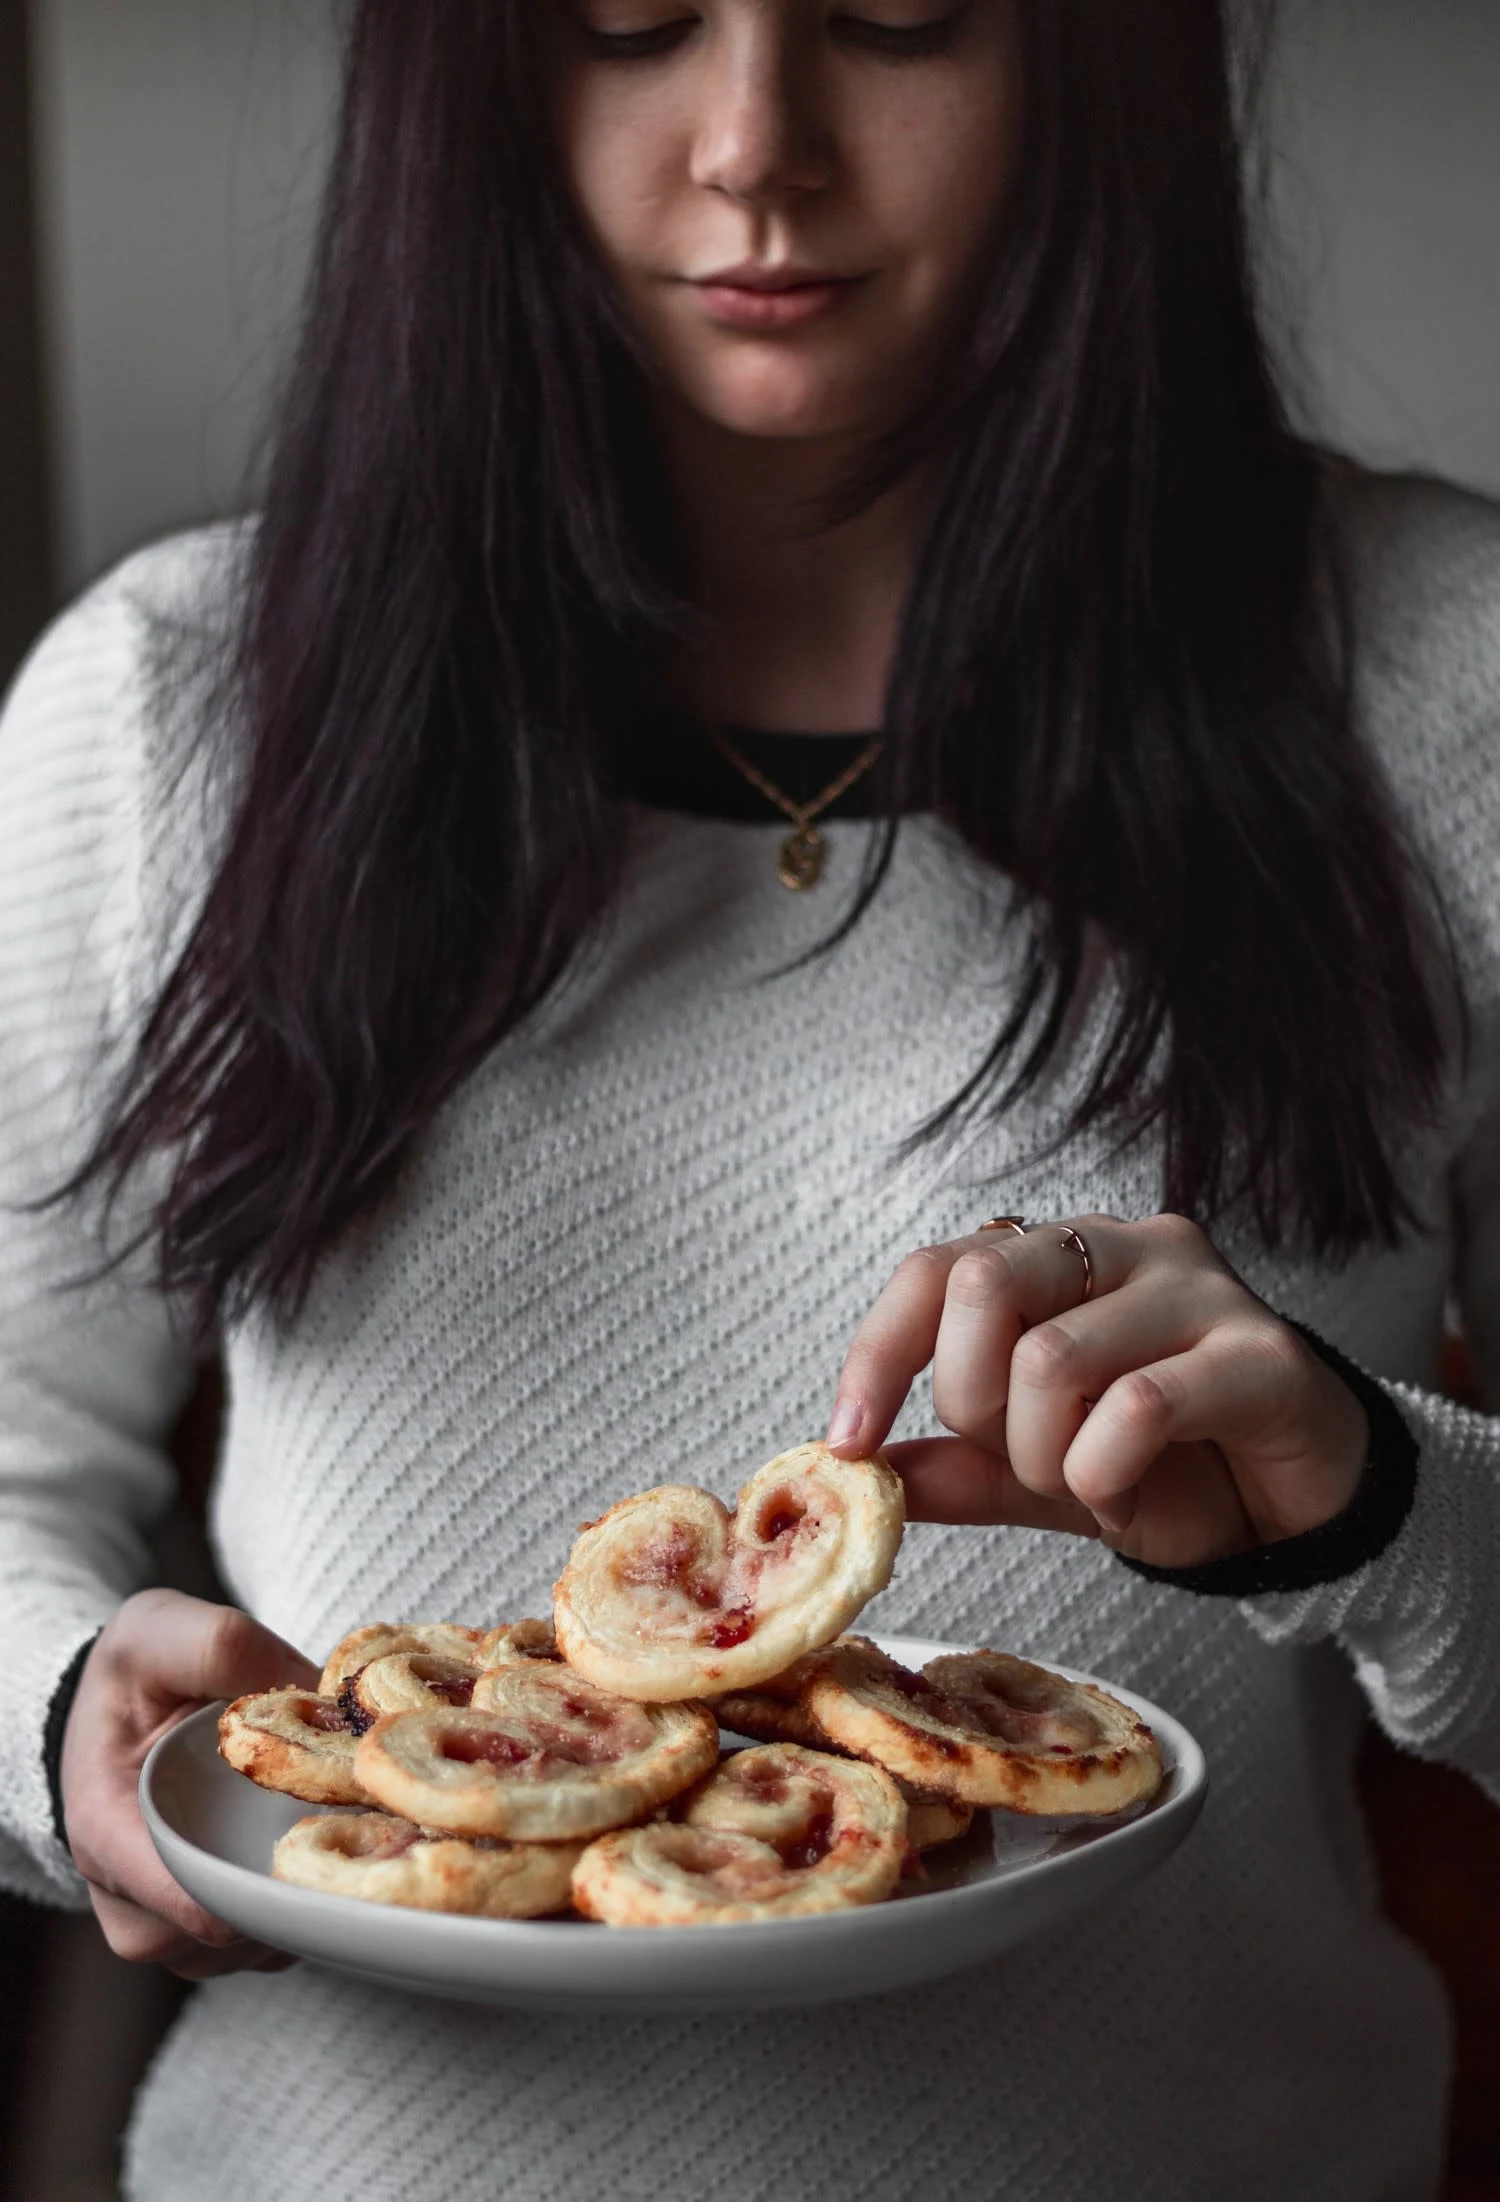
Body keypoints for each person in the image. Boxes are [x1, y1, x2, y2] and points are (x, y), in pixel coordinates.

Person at [1, 3, 1496, 2197]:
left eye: (896, 13)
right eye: (626, 21)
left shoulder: (1448, 687)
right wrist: (56, 1717)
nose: (753, 146)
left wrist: (1373, 1496)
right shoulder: (170, 715)